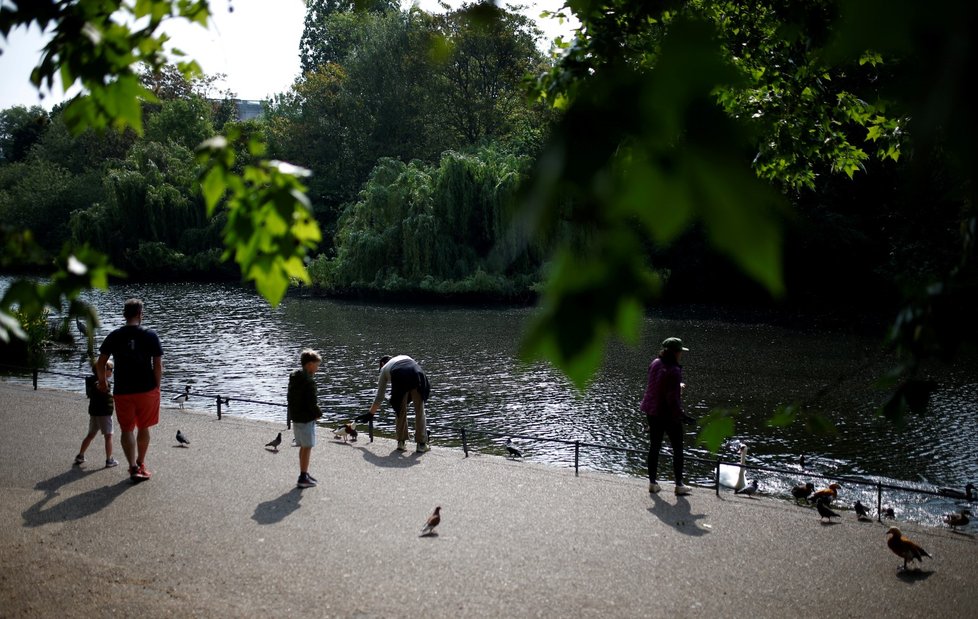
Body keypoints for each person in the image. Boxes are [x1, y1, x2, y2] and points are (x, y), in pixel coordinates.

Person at [95, 298, 164, 482]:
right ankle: (141, 463)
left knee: (127, 429)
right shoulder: (150, 335)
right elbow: (158, 365)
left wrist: (102, 382)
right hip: (146, 389)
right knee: (144, 427)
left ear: (124, 315)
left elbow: (100, 362)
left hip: (123, 390)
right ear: (140, 314)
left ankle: (133, 466)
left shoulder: (114, 336)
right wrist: (157, 386)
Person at [641, 337, 691, 496]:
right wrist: (681, 416)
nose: (681, 354)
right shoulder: (675, 370)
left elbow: (657, 385)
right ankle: (679, 485)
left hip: (651, 411)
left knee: (654, 446)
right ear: (675, 352)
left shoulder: (655, 363)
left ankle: (653, 483)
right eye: (680, 352)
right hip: (667, 415)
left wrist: (677, 386)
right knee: (678, 448)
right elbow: (672, 399)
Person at [368, 355, 430, 453]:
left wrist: (370, 414)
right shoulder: (403, 357)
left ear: (382, 364)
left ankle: (401, 442)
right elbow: (412, 370)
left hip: (400, 375)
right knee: (419, 410)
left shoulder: (384, 369)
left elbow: (379, 397)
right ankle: (421, 445)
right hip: (417, 373)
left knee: (399, 410)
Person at [288, 348, 323, 488]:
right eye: (316, 365)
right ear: (309, 364)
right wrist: (318, 413)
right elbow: (311, 403)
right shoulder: (309, 382)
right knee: (307, 446)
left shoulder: (295, 377)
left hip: (295, 416)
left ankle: (304, 473)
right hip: (306, 418)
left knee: (303, 446)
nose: (317, 368)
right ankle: (303, 477)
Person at [74, 360, 118, 468]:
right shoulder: (101, 382)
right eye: (111, 369)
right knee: (108, 436)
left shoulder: (93, 381)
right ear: (104, 371)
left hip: (94, 413)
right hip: (104, 413)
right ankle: (109, 460)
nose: (112, 372)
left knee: (91, 434)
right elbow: (101, 389)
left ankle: (80, 455)